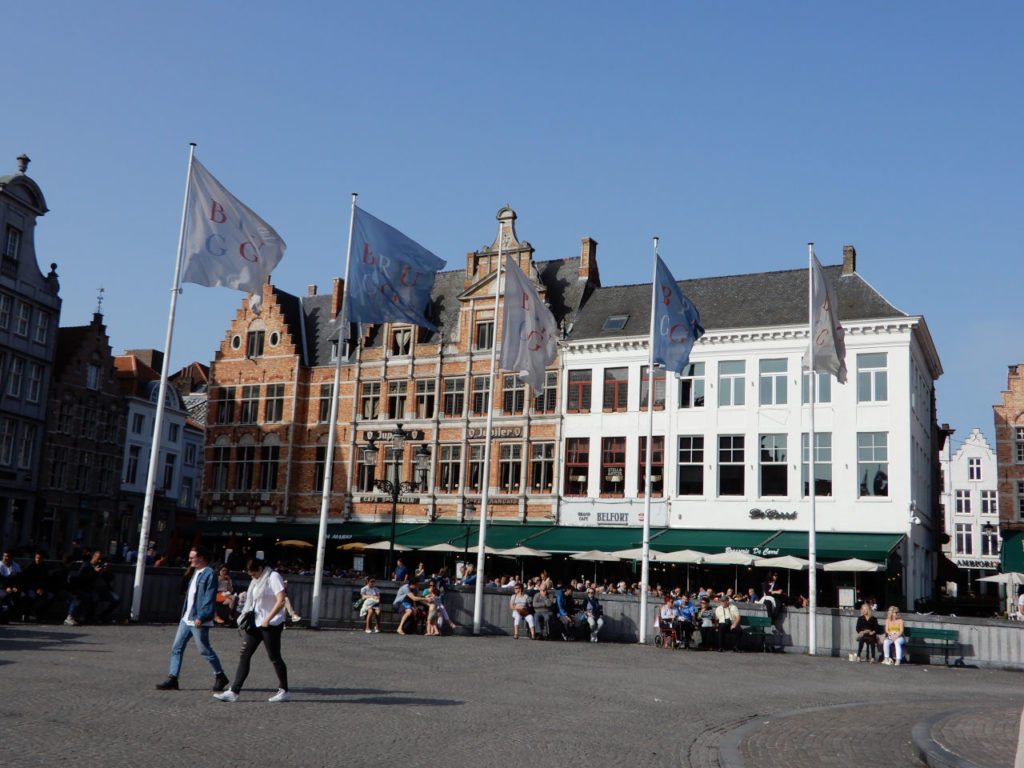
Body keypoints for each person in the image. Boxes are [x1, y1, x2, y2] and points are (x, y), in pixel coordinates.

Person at [215, 558, 290, 702]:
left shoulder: (273, 577)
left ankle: (284, 690)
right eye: (250, 575)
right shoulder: (257, 580)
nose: (252, 577)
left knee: (274, 657)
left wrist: (268, 619)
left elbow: (281, 600)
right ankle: (234, 691)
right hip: (255, 622)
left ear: (261, 568)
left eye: (254, 574)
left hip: (271, 624)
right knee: (244, 655)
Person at [156, 547, 230, 692]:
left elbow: (209, 598)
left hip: (198, 619)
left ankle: (220, 675)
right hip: (187, 618)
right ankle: (173, 678)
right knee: (176, 648)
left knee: (204, 649)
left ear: (201, 558)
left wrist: (201, 617)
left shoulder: (209, 574)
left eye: (192, 557)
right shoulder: (195, 573)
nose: (189, 560)